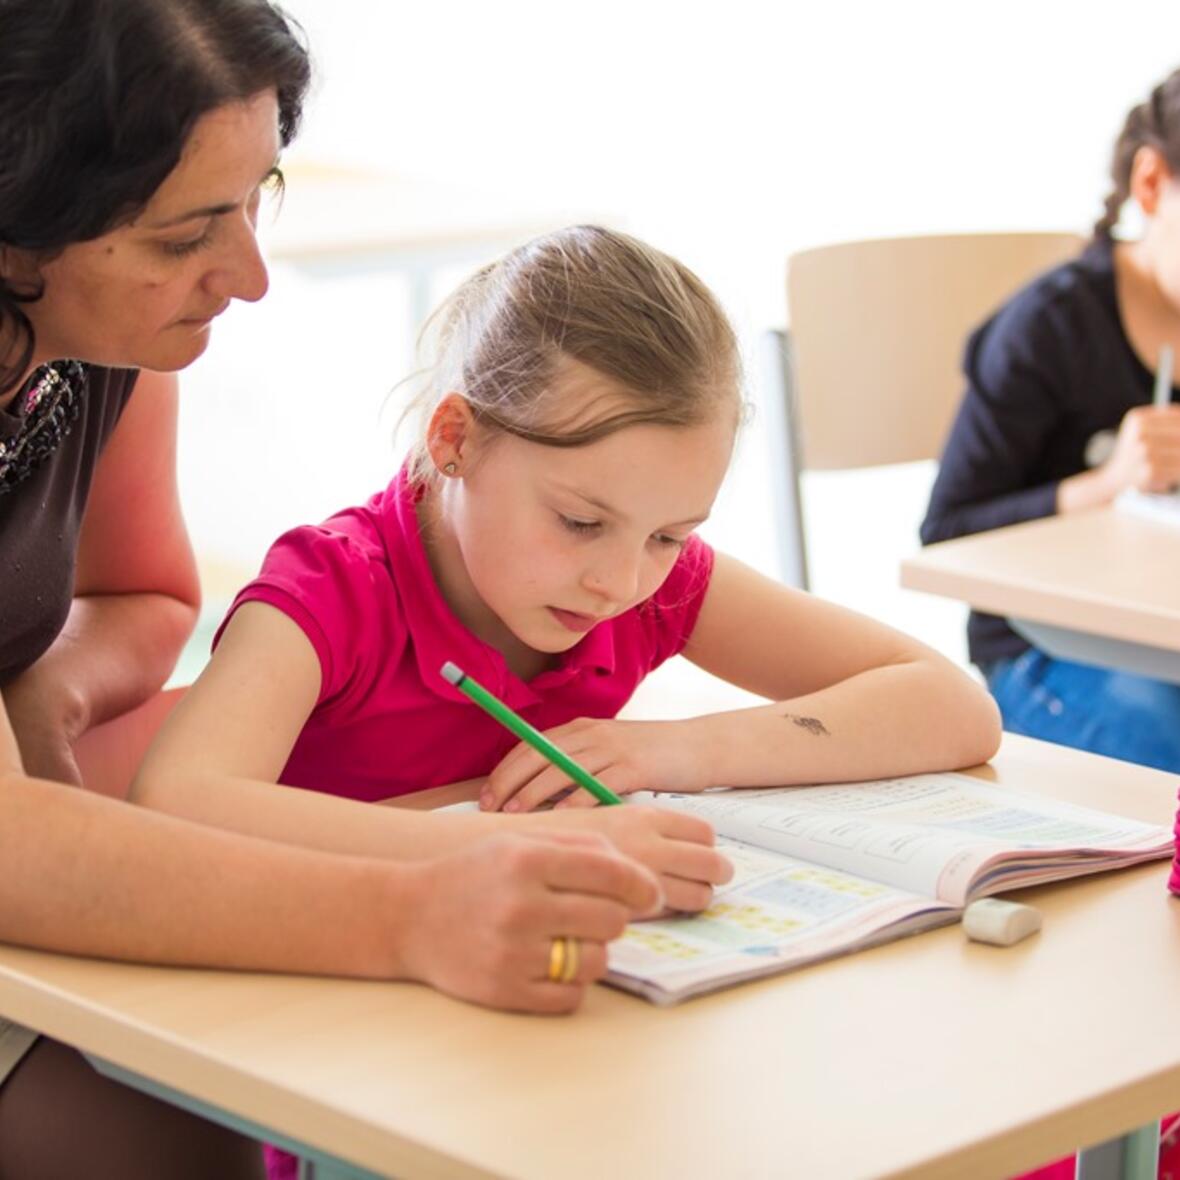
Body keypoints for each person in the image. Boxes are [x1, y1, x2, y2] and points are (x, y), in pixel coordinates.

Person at [0, 4, 712, 1177]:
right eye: (188, 234)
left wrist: (43, 685)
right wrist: (414, 914)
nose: (249, 274)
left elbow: (140, 593)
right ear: (24, 229)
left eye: (255, 197)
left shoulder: (98, 345)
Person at [135, 225, 1001, 834]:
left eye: (669, 536)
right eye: (581, 521)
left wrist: (665, 752)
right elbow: (176, 803)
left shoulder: (650, 587)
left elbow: (952, 705)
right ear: (455, 439)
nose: (622, 583)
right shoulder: (333, 590)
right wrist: (475, 851)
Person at [921, 67, 1180, 774]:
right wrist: (1110, 482)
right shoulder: (1049, 329)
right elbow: (946, 533)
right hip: (1050, 652)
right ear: (1152, 184)